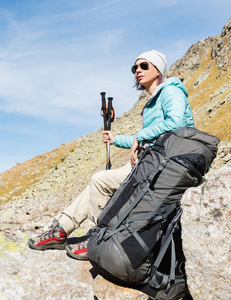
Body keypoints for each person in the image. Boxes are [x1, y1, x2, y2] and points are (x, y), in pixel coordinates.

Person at [28, 50, 195, 260]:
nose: (137, 71)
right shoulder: (152, 101)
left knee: (99, 180)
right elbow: (145, 138)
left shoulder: (171, 92)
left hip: (166, 166)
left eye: (144, 66)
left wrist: (140, 136)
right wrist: (115, 139)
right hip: (151, 161)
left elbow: (177, 123)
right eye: (134, 68)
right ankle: (60, 229)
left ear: (158, 70)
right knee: (95, 184)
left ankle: (101, 239)